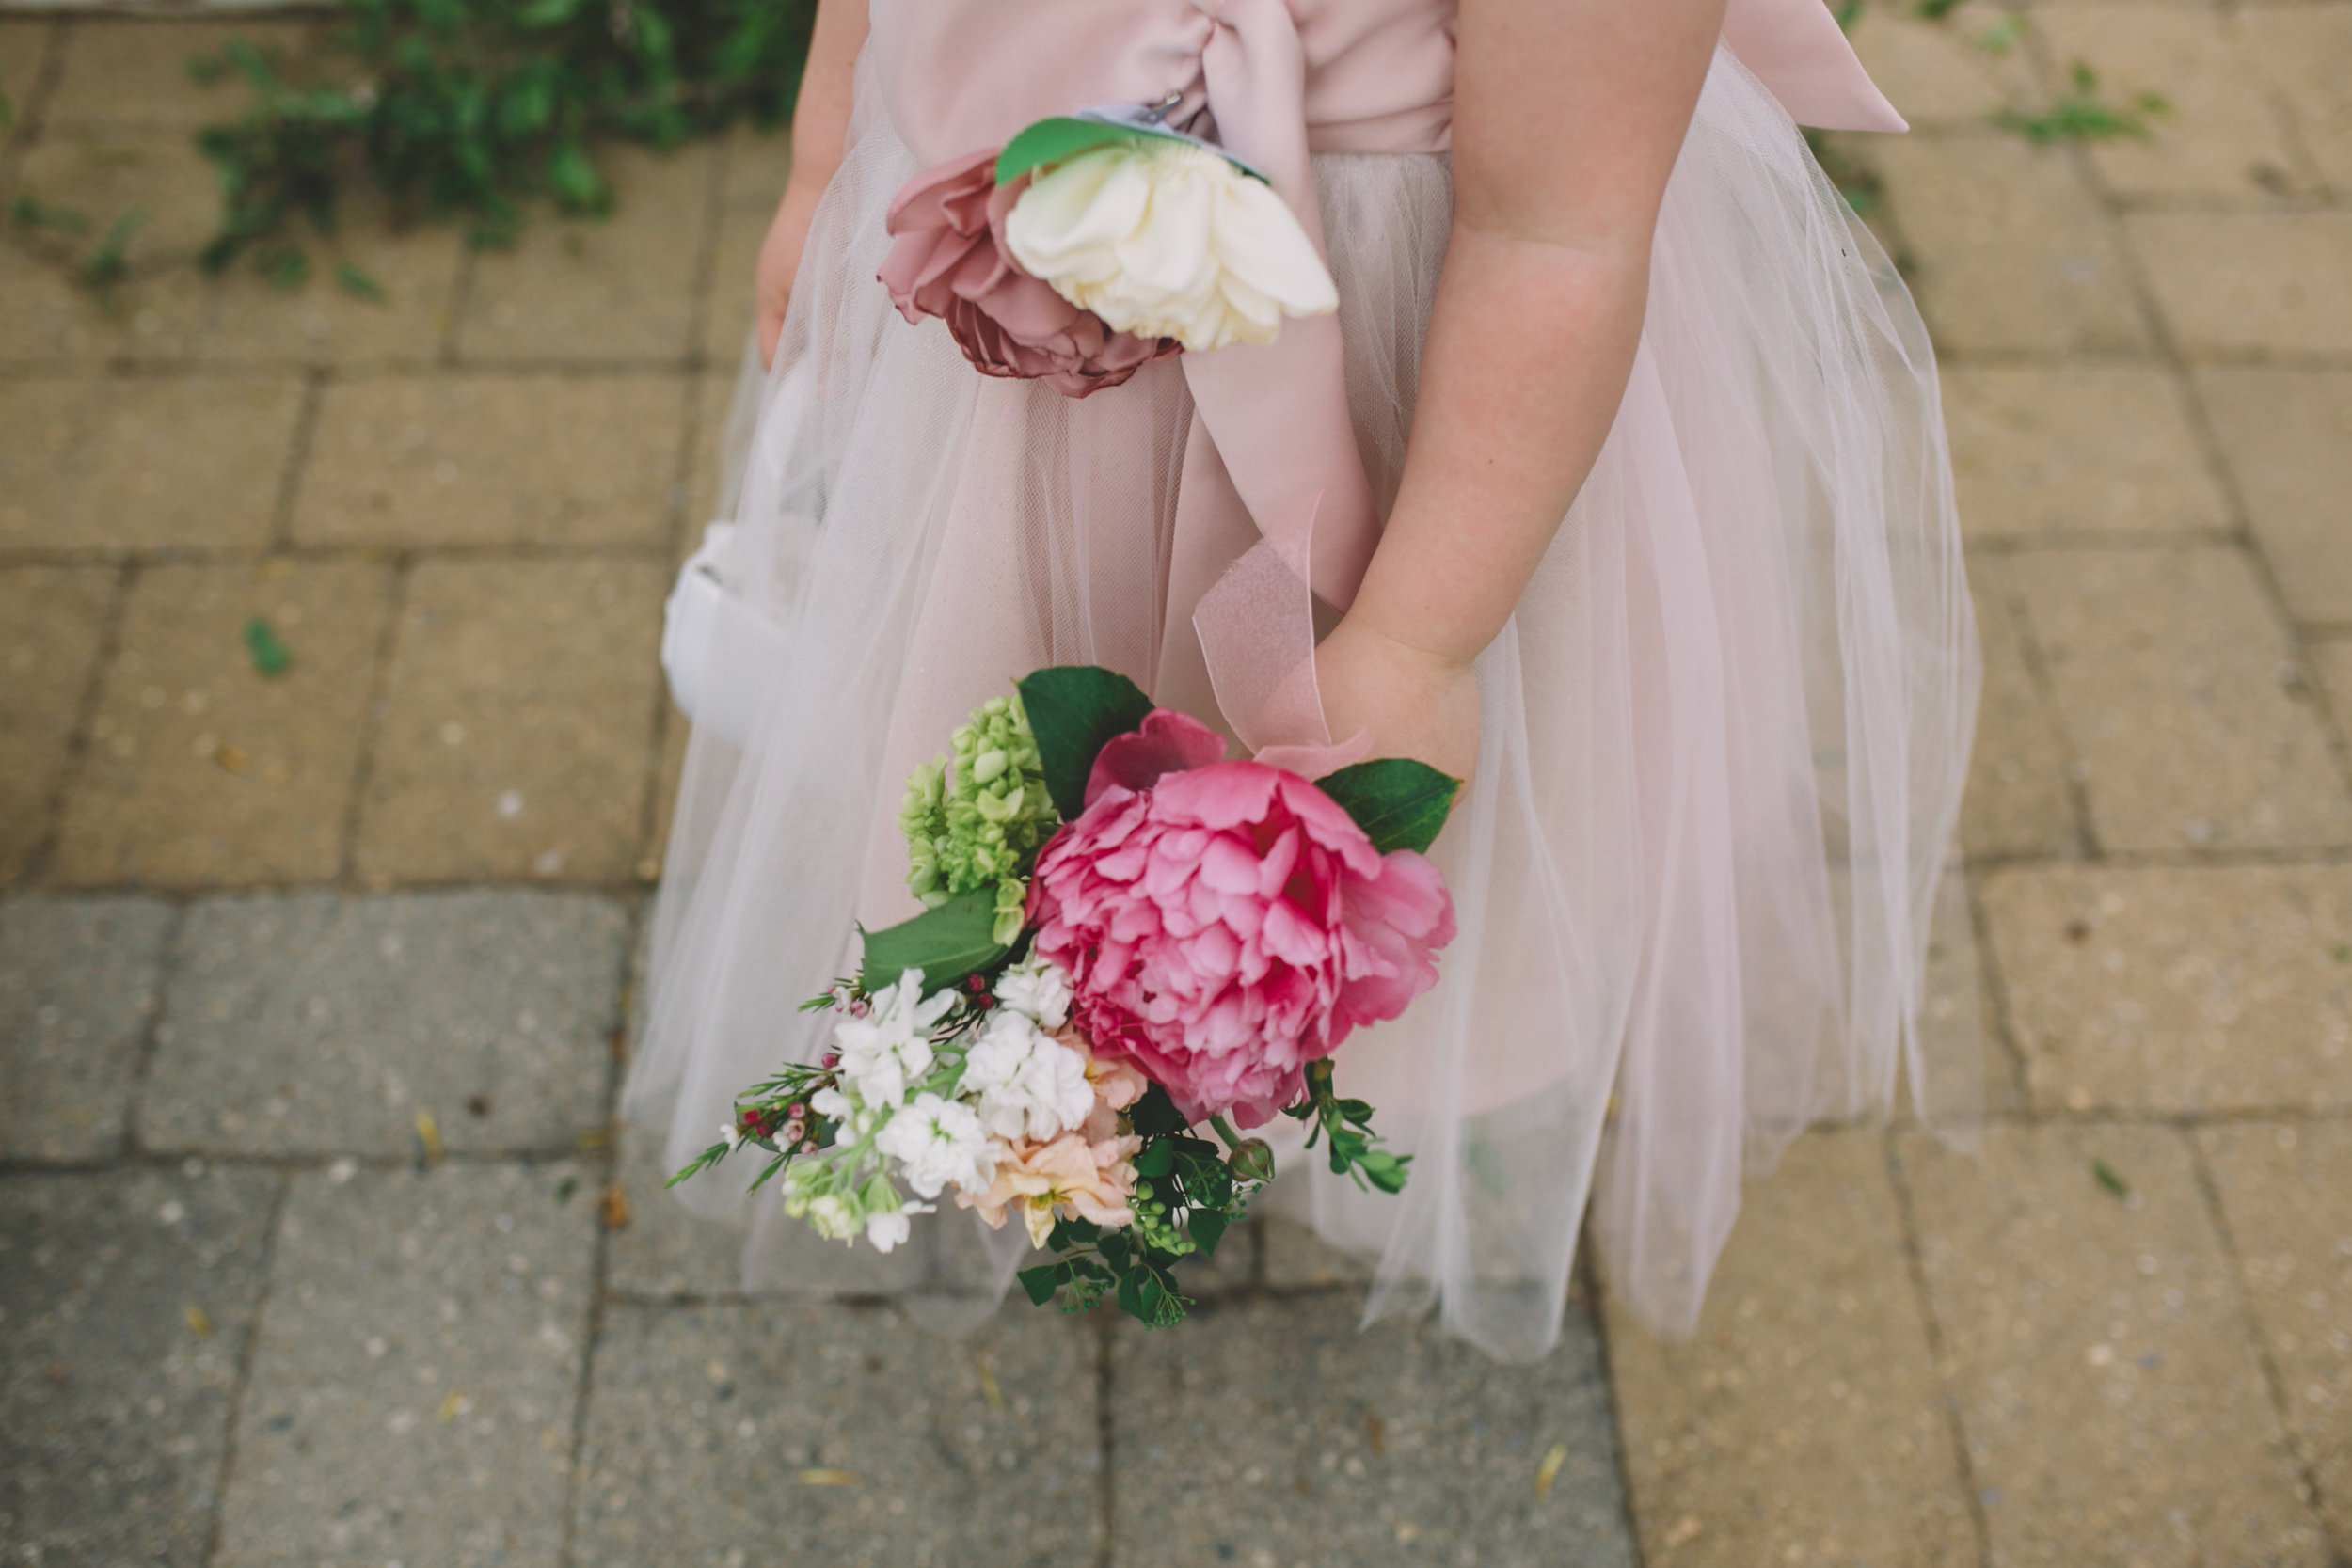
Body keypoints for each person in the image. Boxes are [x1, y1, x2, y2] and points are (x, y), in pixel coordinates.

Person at [630, 0, 1980, 1362]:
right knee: (1007, 730)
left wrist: (1416, 641)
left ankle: (1307, 1050)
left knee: (1344, 827)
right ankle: (1055, 1044)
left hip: (1410, 392)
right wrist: (824, 156)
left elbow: (1556, 234)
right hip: (1020, 342)